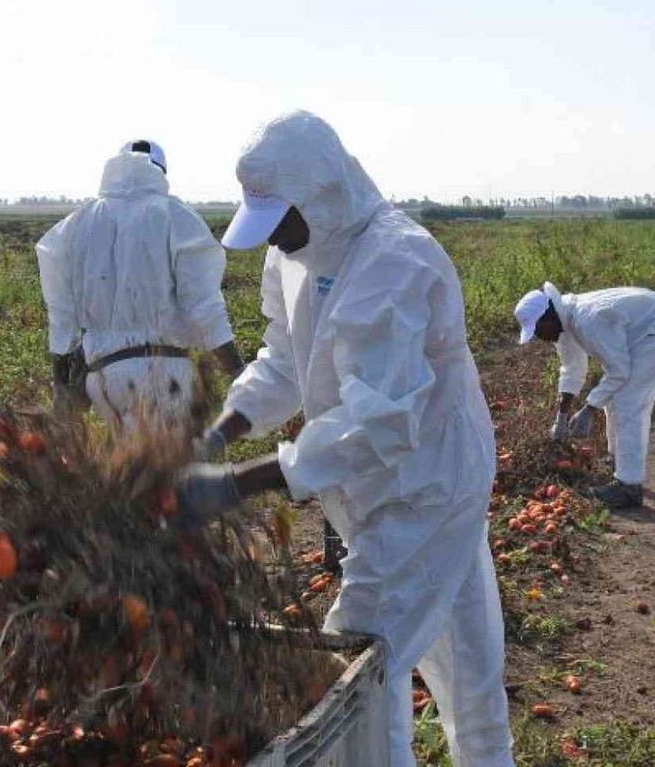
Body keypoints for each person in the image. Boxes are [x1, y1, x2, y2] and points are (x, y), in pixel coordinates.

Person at [178, 111, 514, 767]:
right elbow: (284, 358)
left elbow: (380, 421)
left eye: (283, 217)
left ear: (323, 194)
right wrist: (218, 436)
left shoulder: (395, 261)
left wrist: (239, 483)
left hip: (428, 483)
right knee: (465, 660)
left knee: (360, 661)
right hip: (387, 484)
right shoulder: (295, 254)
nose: (275, 235)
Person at [36, 140, 243, 430]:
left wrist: (61, 388)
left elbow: (60, 318)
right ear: (161, 172)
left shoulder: (75, 224)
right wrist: (238, 372)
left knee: (131, 468)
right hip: (165, 374)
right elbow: (205, 306)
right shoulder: (174, 215)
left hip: (103, 378)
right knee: (175, 471)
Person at [513, 282, 655, 509]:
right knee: (619, 398)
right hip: (649, 328)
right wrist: (562, 417)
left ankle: (629, 487)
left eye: (537, 330)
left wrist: (588, 409)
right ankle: (619, 461)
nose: (539, 337)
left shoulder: (589, 320)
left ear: (548, 317)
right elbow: (572, 369)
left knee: (627, 401)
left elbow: (619, 371)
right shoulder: (565, 323)